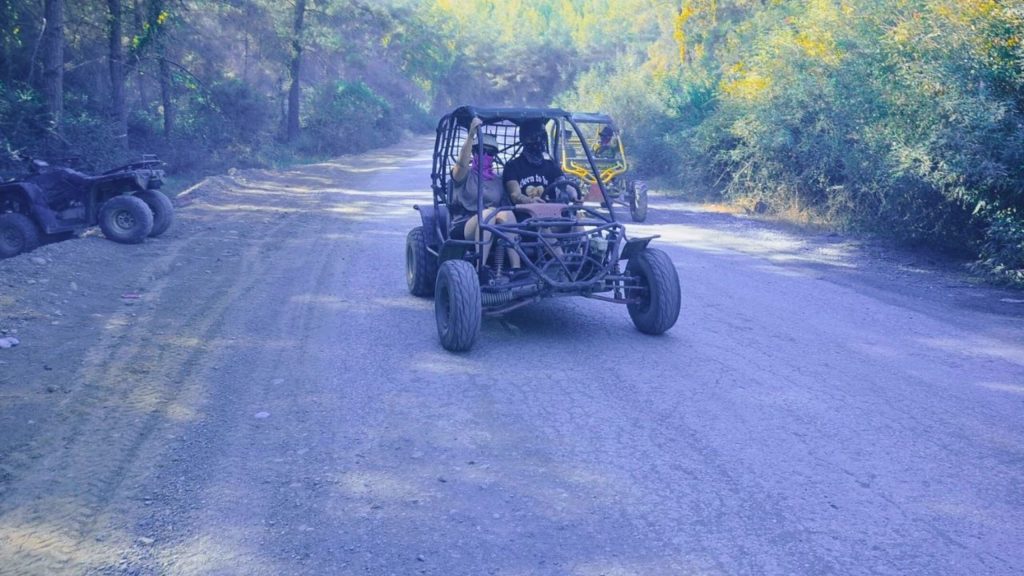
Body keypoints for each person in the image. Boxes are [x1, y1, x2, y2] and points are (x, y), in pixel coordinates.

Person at [451, 117, 520, 272]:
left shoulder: (497, 180)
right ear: (474, 153)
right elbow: (461, 163)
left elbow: (507, 203)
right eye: (481, 151)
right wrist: (470, 136)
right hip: (465, 223)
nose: (485, 155)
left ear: (494, 156)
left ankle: (517, 268)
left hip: (492, 222)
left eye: (490, 153)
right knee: (489, 213)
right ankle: (480, 267)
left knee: (506, 213)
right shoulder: (464, 175)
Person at [504, 119, 568, 205]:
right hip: (526, 216)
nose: (539, 141)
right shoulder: (512, 166)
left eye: (542, 137)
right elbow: (515, 195)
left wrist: (575, 195)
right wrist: (530, 201)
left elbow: (565, 185)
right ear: (524, 139)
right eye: (534, 138)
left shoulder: (551, 165)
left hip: (553, 213)